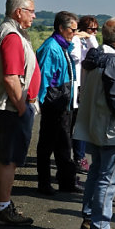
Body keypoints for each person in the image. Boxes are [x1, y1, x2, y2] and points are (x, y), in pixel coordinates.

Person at [72, 17, 115, 229]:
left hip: (96, 125)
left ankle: (89, 220)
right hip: (113, 129)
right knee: (109, 179)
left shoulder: (96, 57)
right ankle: (100, 226)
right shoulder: (114, 63)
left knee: (97, 174)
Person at [0, 0, 39, 226]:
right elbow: (11, 78)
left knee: (10, 157)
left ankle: (3, 205)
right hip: (12, 108)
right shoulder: (12, 36)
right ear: (19, 12)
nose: (34, 16)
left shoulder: (12, 33)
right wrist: (22, 107)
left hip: (13, 107)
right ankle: (3, 208)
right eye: (31, 11)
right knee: (8, 158)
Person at [34, 10, 82, 195]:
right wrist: (39, 102)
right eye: (72, 30)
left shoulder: (63, 46)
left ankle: (66, 182)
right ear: (61, 28)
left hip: (63, 103)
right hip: (54, 103)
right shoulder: (51, 48)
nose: (74, 34)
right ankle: (45, 183)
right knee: (47, 145)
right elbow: (43, 78)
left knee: (63, 143)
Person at [70, 15, 101, 174]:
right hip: (74, 86)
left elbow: (96, 52)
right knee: (73, 125)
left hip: (85, 86)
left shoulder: (88, 40)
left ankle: (79, 157)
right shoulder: (75, 41)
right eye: (91, 29)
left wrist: (89, 37)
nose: (94, 32)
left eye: (97, 29)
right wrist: (77, 38)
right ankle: (75, 158)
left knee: (81, 125)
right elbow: (76, 57)